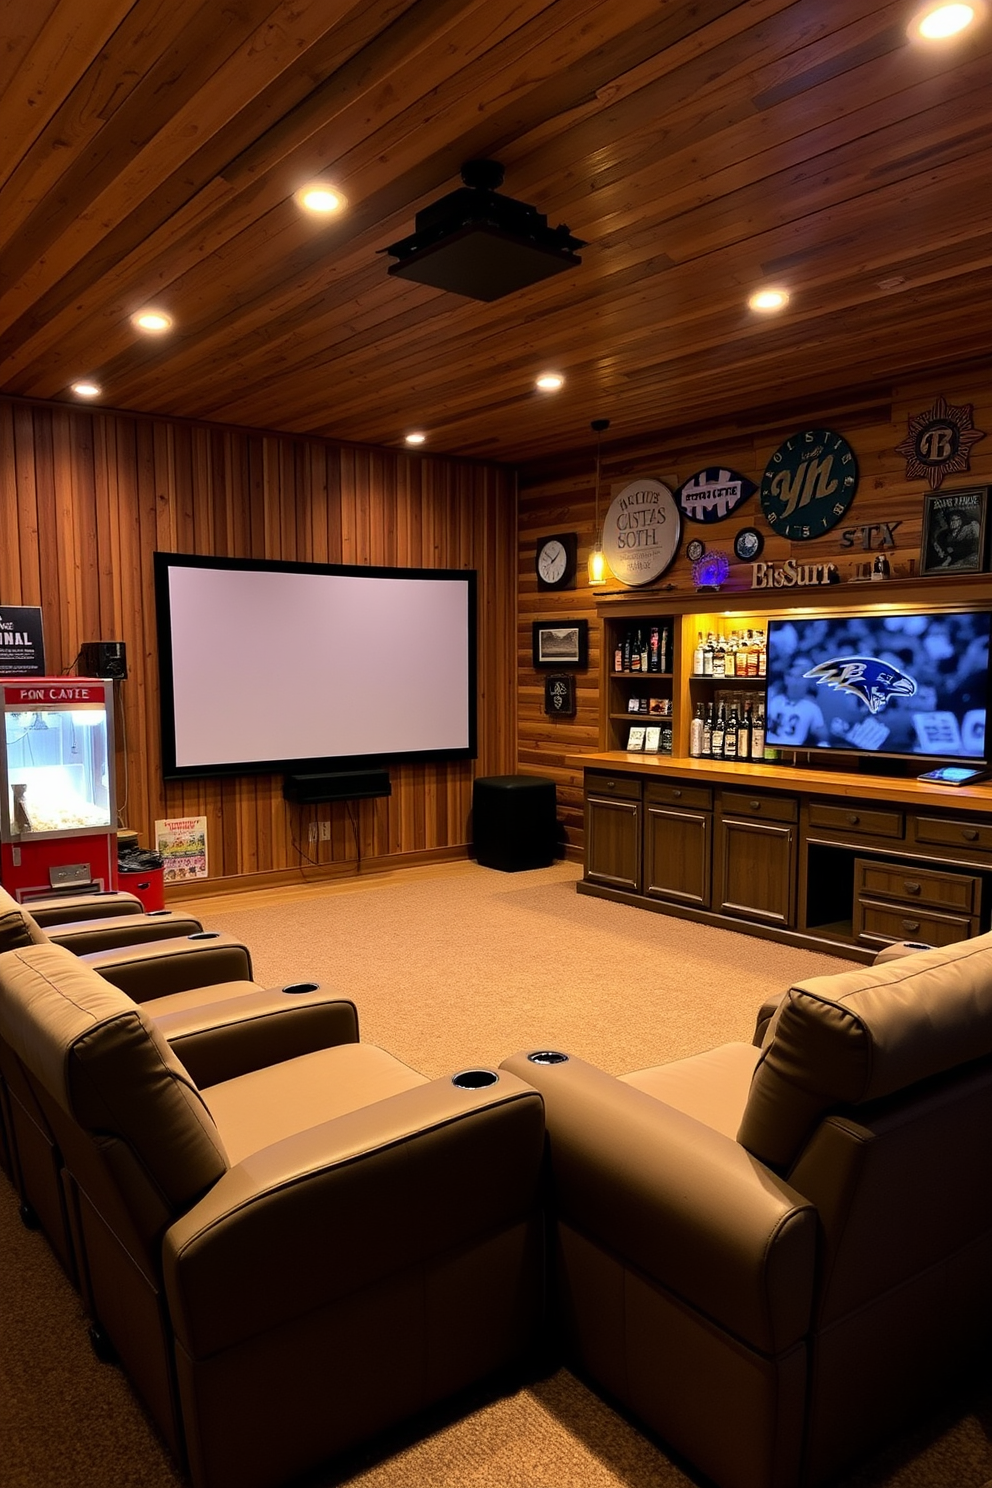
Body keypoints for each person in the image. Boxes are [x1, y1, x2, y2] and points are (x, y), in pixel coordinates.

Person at [767, 667, 828, 747]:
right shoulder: (774, 701)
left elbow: (823, 735)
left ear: (807, 682)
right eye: (792, 676)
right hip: (769, 745)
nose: (796, 682)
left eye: (800, 677)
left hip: (795, 748)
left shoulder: (812, 707)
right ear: (786, 679)